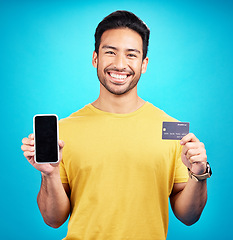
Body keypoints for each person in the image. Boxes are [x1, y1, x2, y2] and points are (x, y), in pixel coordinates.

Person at [21, 10, 211, 240]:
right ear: (95, 59)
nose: (120, 64)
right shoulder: (65, 130)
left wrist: (198, 175)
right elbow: (53, 220)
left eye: (131, 55)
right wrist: (49, 175)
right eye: (110, 52)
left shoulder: (173, 130)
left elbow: (188, 216)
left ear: (144, 64)